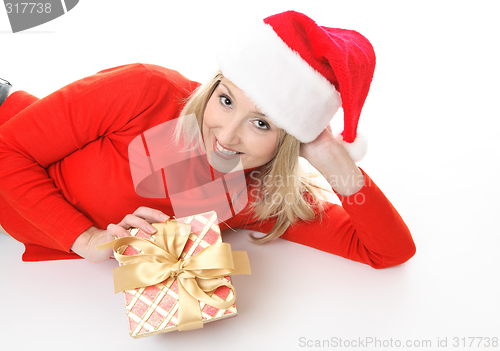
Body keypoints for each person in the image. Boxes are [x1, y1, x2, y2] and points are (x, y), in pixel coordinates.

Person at [0, 11, 415, 268]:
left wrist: (333, 161)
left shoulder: (257, 197)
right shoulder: (146, 90)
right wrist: (85, 238)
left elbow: (388, 251)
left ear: (291, 142)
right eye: (227, 100)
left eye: (263, 124)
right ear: (213, 85)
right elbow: (8, 151)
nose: (227, 135)